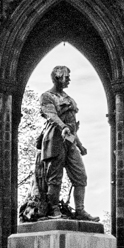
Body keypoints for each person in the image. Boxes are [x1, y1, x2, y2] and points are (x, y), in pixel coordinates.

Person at [35, 66, 98, 220]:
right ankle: (54, 209)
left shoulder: (70, 99)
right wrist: (63, 127)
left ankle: (80, 211)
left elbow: (72, 126)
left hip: (70, 142)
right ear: (58, 77)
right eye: (67, 77)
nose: (69, 79)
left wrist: (79, 144)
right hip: (54, 140)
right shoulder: (47, 96)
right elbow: (51, 115)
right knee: (55, 178)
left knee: (81, 177)